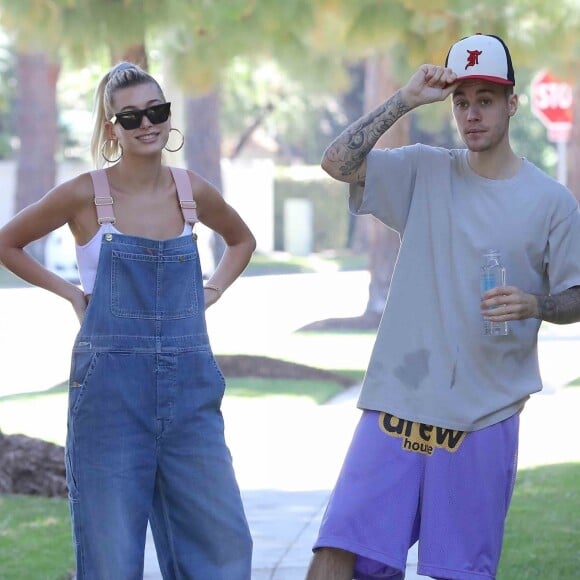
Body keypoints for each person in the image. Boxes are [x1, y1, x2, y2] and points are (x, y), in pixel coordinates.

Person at [307, 33, 580, 580]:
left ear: (512, 104)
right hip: (396, 406)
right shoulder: (424, 170)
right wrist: (405, 99)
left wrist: (534, 302)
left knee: (458, 574)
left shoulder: (551, 201)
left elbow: (575, 297)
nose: (471, 114)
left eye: (485, 99)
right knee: (336, 559)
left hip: (483, 415)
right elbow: (338, 163)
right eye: (461, 101)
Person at [0, 62, 255, 579]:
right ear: (111, 125)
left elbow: (242, 240)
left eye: (156, 111)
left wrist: (212, 290)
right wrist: (71, 293)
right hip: (109, 402)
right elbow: (8, 241)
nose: (147, 125)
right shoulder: (83, 195)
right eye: (131, 116)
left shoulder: (192, 192)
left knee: (224, 550)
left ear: (168, 115)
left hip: (192, 400)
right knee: (112, 558)